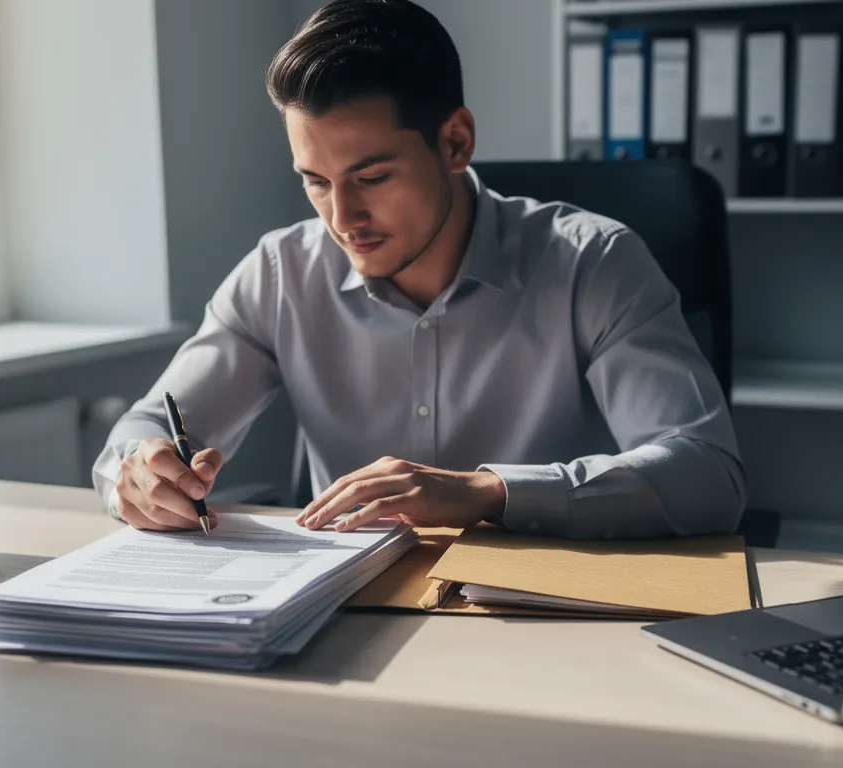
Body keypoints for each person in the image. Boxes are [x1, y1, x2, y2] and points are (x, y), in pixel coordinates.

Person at [92, 0, 746, 539]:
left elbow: (707, 473)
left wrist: (491, 493)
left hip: (544, 616)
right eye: (315, 181)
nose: (342, 217)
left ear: (457, 141)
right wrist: (143, 473)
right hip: (342, 621)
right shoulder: (279, 273)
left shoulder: (593, 263)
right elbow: (143, 431)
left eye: (371, 177)